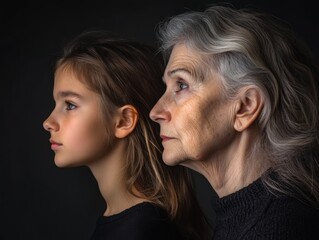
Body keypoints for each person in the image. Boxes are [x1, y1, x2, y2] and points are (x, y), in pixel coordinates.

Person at [150, 4, 319, 240]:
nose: (156, 112)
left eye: (182, 85)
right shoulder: (249, 216)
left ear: (245, 107)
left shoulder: (278, 229)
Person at [42, 30, 211, 240]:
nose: (48, 123)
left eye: (70, 105)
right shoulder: (124, 221)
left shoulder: (141, 231)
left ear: (124, 121)